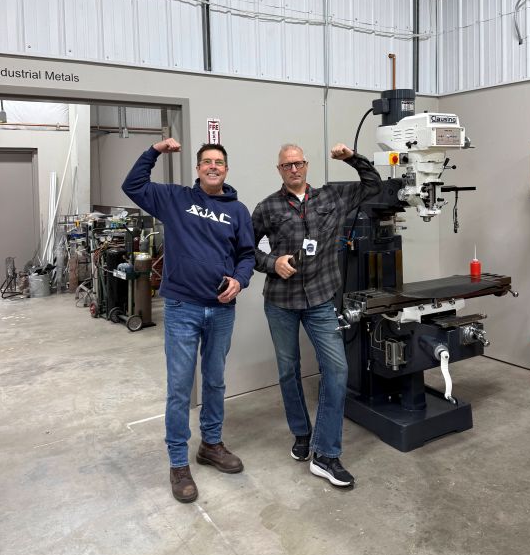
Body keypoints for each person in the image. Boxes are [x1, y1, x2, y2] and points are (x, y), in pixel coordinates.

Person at [122, 138, 255, 503]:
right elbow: (132, 185)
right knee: (180, 388)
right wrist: (155, 151)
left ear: (226, 169)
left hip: (221, 309)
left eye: (219, 162)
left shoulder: (238, 211)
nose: (213, 166)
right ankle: (178, 463)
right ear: (198, 169)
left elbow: (247, 255)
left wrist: (239, 280)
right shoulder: (176, 199)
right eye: (207, 161)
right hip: (182, 308)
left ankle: (211, 445)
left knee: (214, 382)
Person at [252, 142, 382, 487]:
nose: (293, 170)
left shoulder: (331, 199)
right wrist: (271, 262)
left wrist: (353, 158)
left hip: (321, 301)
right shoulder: (267, 208)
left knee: (337, 369)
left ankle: (325, 454)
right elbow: (243, 250)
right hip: (280, 302)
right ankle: (301, 435)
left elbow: (373, 185)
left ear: (306, 165)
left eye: (298, 163)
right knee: (288, 371)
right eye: (286, 166)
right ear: (279, 170)